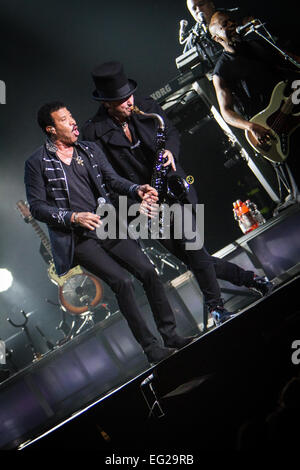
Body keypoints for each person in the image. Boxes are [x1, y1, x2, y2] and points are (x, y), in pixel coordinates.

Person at [82, 61, 274, 327]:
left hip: (174, 190)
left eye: (129, 96)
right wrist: (136, 198)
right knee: (196, 259)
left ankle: (216, 309)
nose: (129, 102)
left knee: (195, 250)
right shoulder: (92, 133)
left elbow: (171, 132)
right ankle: (253, 280)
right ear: (106, 103)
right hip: (141, 206)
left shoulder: (147, 107)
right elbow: (105, 177)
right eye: (121, 100)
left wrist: (170, 150)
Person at [24, 101, 198, 366]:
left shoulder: (89, 150)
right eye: (64, 119)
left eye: (71, 116)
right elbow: (37, 207)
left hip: (109, 224)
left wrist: (136, 189)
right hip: (79, 238)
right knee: (122, 282)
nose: (72, 122)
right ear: (50, 129)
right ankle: (151, 349)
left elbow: (112, 180)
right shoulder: (36, 163)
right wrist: (73, 217)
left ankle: (170, 335)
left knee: (149, 273)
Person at [209, 11, 300, 192]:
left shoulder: (257, 45)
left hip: (293, 106)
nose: (232, 26)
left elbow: (290, 61)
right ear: (216, 37)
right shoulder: (221, 71)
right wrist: (250, 127)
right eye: (225, 25)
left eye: (232, 21)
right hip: (272, 126)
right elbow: (226, 111)